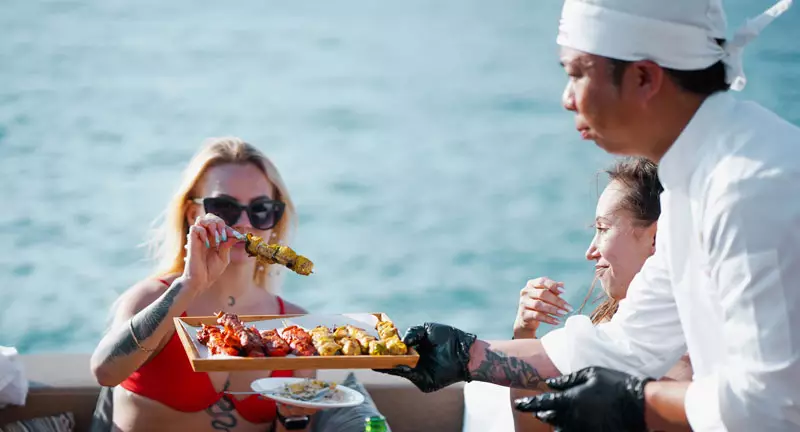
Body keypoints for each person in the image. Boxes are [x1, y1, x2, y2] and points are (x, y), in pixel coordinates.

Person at [376, 0, 800, 430]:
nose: (566, 99)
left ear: (644, 78)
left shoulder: (750, 188)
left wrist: (638, 402)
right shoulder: (691, 184)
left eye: (577, 73)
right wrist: (464, 355)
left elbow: (773, 405)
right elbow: (628, 345)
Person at [90, 137, 318, 432]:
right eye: (224, 207)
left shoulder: (295, 328)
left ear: (276, 219)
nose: (244, 223)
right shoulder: (150, 300)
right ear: (192, 214)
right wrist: (188, 285)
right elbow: (105, 372)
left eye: (261, 208)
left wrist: (293, 416)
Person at [509, 157, 692, 432]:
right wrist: (524, 334)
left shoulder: (691, 364)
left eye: (603, 229)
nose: (590, 251)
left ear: (655, 238)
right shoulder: (606, 331)